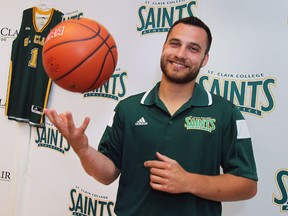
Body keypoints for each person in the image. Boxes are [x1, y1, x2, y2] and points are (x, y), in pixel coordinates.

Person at [44, 16, 258, 216]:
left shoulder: (225, 112)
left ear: (204, 59)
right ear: (164, 47)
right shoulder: (128, 109)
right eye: (175, 44)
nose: (181, 54)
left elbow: (247, 185)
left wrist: (188, 181)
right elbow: (107, 174)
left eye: (193, 49)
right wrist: (82, 149)